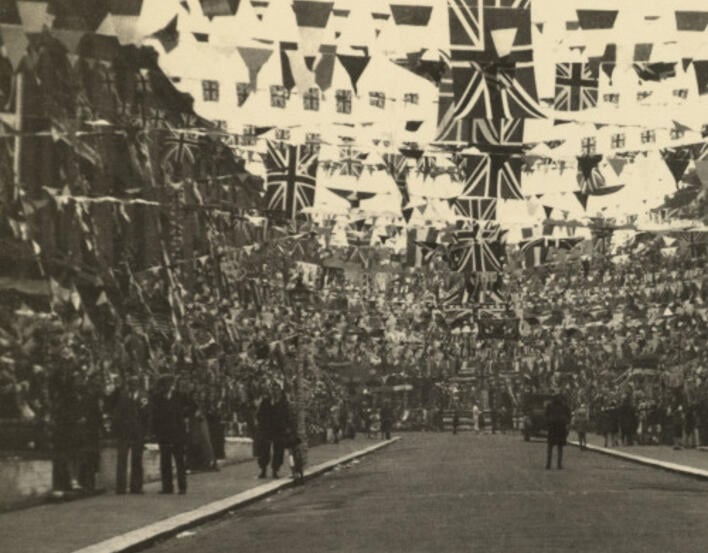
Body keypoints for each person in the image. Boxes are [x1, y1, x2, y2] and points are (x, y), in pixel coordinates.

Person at [151, 375, 190, 494]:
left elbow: (189, 409)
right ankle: (167, 487)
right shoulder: (157, 398)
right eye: (164, 384)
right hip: (164, 434)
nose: (167, 386)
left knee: (179, 462)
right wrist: (155, 433)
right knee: (165, 462)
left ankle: (182, 487)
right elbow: (155, 417)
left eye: (169, 383)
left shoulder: (179, 396)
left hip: (177, 434)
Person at [109, 375, 148, 494]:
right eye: (131, 383)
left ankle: (136, 487)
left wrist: (146, 432)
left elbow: (146, 415)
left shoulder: (143, 397)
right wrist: (116, 430)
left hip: (137, 432)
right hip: (124, 432)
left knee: (137, 459)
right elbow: (117, 413)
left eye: (135, 383)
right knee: (122, 460)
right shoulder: (123, 396)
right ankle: (121, 487)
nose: (133, 385)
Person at [256, 384, 290, 479]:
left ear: (280, 391)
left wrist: (286, 426)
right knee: (264, 450)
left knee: (278, 450)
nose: (275, 392)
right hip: (267, 429)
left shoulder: (283, 403)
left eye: (277, 390)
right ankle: (263, 469)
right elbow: (259, 414)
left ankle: (275, 470)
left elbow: (287, 416)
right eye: (273, 390)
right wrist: (262, 425)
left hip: (279, 430)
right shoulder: (266, 402)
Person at [545, 393, 571, 470]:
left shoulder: (550, 406)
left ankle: (548, 464)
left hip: (553, 428)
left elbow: (546, 415)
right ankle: (558, 464)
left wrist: (548, 422)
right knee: (559, 447)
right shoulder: (564, 406)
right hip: (560, 428)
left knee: (550, 447)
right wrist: (566, 423)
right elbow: (569, 416)